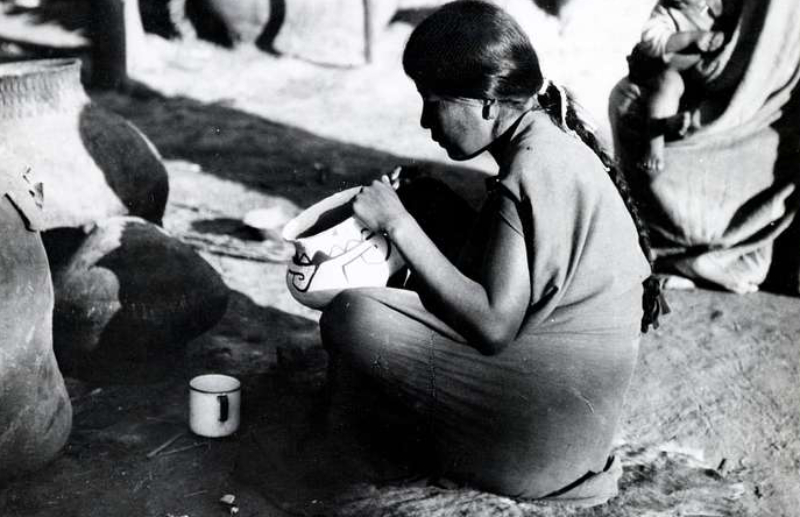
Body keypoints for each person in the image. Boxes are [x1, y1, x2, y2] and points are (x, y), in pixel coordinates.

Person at [319, 0, 666, 505]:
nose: (423, 120)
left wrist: (397, 222)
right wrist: (427, 207)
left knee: (355, 315)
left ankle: (380, 449)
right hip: (569, 427)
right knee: (432, 214)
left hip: (534, 445)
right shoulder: (548, 141)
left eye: (432, 99)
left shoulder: (529, 169)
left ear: (484, 101)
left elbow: (493, 324)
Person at [627, 0, 728, 173]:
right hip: (666, 69)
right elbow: (652, 40)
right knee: (668, 85)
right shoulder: (666, 11)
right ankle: (655, 142)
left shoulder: (715, 4)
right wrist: (691, 37)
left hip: (699, 72)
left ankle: (673, 123)